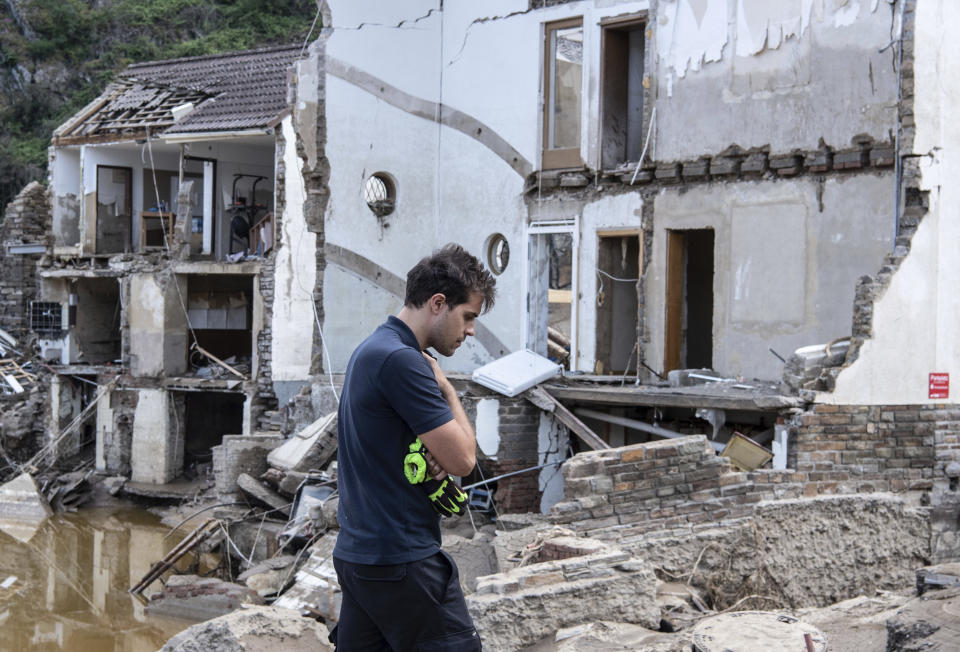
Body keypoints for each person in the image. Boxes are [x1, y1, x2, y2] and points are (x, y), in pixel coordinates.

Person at [331, 243, 496, 651]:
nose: (471, 330)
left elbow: (403, 450)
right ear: (438, 303)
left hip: (361, 557)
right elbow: (463, 460)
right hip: (400, 560)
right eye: (468, 316)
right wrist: (448, 390)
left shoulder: (373, 349)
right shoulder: (403, 361)